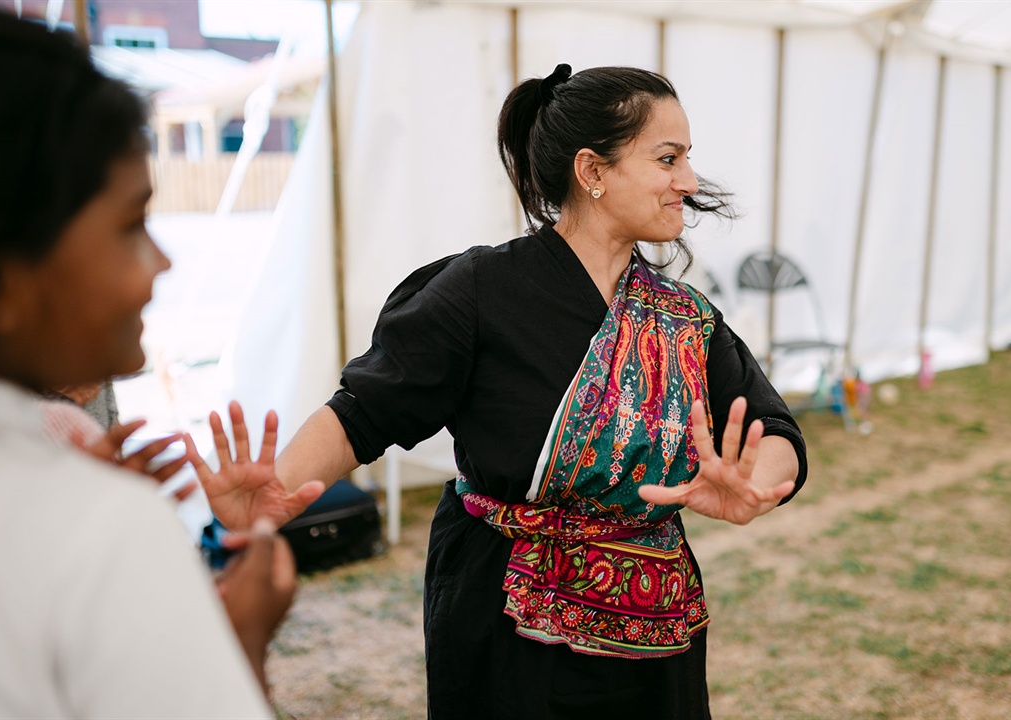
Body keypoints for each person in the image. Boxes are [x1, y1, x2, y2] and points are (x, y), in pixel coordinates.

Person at [191, 63, 808, 718]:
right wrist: (275, 493)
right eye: (668, 158)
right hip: (507, 625)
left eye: (688, 158)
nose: (689, 180)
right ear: (592, 172)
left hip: (659, 629)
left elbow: (774, 430)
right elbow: (366, 412)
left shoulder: (683, 317)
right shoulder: (482, 292)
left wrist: (756, 484)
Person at [0, 11, 294, 717]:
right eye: (131, 225)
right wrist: (240, 645)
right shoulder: (100, 531)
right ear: (4, 281)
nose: (161, 260)